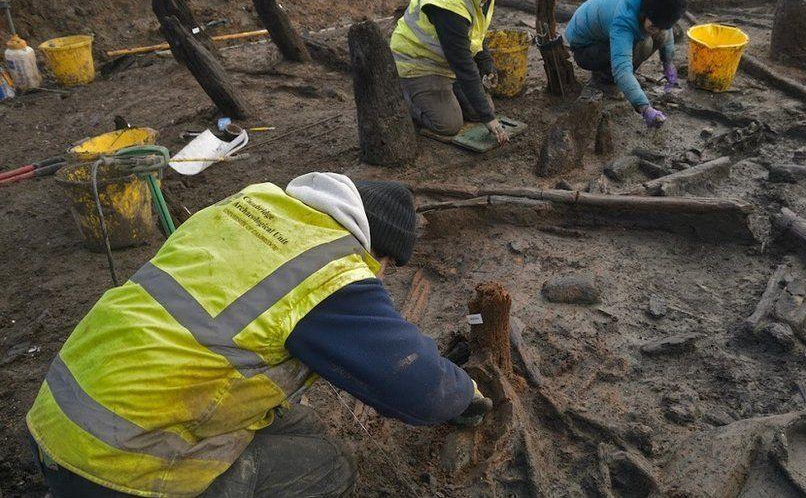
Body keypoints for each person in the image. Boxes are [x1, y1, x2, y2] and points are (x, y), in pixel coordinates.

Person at [25, 173, 491, 497]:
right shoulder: (330, 271)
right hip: (112, 470)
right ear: (376, 249)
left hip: (57, 420)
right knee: (329, 466)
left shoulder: (246, 212)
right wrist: (465, 394)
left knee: (299, 425)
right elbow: (417, 388)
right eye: (385, 268)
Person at [390, 0, 511, 144]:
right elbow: (462, 63)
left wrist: (486, 62)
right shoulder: (450, 4)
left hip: (444, 62)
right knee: (448, 125)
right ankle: (402, 94)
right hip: (417, 64)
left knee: (480, 109)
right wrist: (490, 120)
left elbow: (476, 31)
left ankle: (445, 94)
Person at [564, 0, 686, 131]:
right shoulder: (623, 20)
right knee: (644, 45)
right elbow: (622, 69)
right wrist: (645, 108)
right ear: (644, 13)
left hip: (604, 36)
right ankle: (604, 80)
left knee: (658, 36)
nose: (658, 28)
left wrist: (668, 63)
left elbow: (666, 31)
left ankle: (620, 81)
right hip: (585, 48)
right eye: (654, 25)